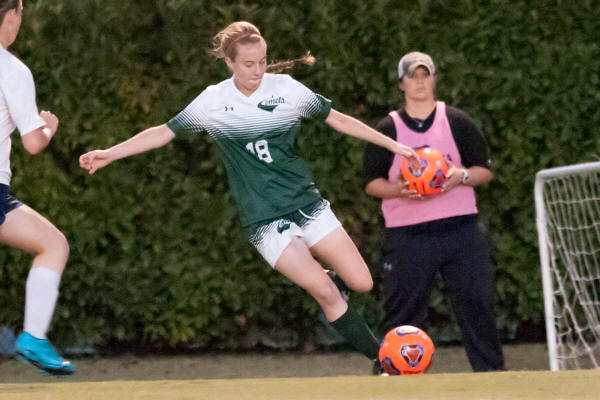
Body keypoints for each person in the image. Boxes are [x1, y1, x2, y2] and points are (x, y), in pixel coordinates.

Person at [79, 21, 419, 365]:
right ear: (229, 62)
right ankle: (383, 362)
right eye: (248, 64)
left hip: (307, 204)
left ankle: (331, 281)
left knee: (362, 283)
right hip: (264, 220)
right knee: (326, 292)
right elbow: (162, 132)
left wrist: (395, 146)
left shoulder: (286, 89)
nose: (258, 70)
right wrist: (110, 153)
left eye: (263, 61)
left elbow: (339, 119)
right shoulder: (213, 101)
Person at [364, 51, 505, 372]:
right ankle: (391, 376)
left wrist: (459, 177)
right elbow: (371, 182)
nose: (419, 82)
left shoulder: (457, 121)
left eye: (425, 74)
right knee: (402, 314)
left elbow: (483, 170)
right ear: (401, 83)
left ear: (434, 79)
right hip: (408, 235)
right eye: (412, 76)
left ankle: (492, 376)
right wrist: (398, 189)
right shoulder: (387, 129)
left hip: (461, 230)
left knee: (478, 305)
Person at [0, 0, 74, 376]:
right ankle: (33, 337)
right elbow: (32, 142)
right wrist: (48, 128)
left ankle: (33, 339)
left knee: (53, 243)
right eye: (21, 15)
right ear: (12, 15)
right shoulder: (12, 69)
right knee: (53, 245)